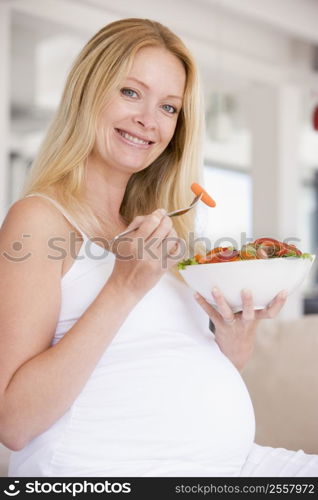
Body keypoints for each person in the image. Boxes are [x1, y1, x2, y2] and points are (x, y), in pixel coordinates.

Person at [0, 17, 317, 477]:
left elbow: (162, 365)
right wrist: (121, 289)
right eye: (131, 92)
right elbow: (13, 422)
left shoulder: (160, 234)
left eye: (169, 108)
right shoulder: (39, 220)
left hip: (230, 465)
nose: (149, 120)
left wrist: (233, 344)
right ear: (89, 92)